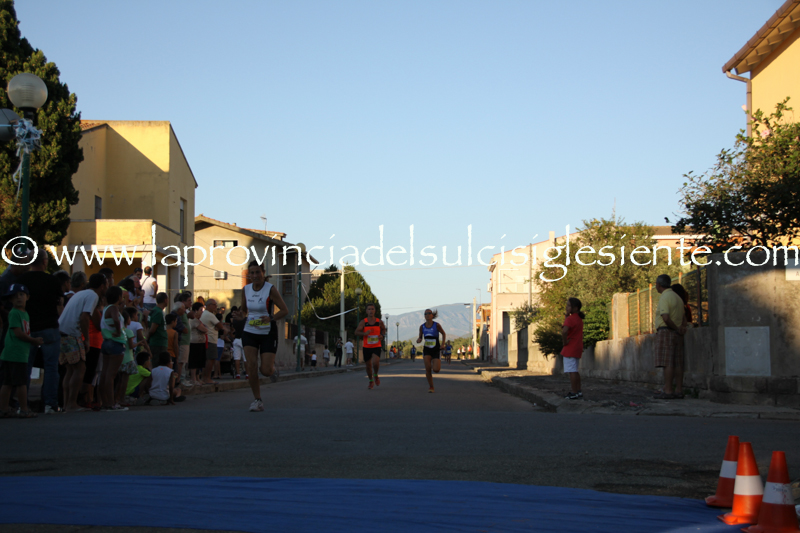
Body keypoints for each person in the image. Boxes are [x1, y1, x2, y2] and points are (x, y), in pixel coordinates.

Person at [240, 261, 289, 412]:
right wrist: (239, 316)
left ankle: (273, 370)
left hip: (267, 332)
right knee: (251, 366)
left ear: (263, 273)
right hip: (249, 331)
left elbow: (284, 310)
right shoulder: (246, 289)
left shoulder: (270, 289)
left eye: (257, 272)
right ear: (249, 275)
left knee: (265, 370)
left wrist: (270, 318)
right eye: (252, 273)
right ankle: (257, 400)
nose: (255, 275)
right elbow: (244, 311)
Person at [20, 249, 64, 414]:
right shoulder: (52, 280)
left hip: (28, 327)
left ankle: (23, 404)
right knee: (51, 367)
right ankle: (50, 404)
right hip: (49, 326)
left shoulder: (23, 280)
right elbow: (59, 302)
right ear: (45, 261)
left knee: (26, 367)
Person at [58, 273, 107, 412]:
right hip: (72, 333)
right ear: (102, 286)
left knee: (70, 369)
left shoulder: (81, 293)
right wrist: (86, 339)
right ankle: (72, 403)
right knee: (80, 368)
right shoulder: (93, 296)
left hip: (62, 331)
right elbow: (85, 317)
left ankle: (66, 403)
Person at [0, 285, 43, 418]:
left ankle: (3, 409)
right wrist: (33, 340)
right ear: (10, 300)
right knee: (21, 383)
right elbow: (18, 333)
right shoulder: (15, 313)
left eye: (21, 294)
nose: (18, 298)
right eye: (14, 296)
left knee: (8, 382)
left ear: (27, 297)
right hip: (16, 353)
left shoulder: (24, 313)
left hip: (14, 353)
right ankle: (24, 409)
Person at [652, 274, 687, 400]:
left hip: (666, 331)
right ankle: (679, 390)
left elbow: (665, 317)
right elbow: (684, 317)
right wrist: (681, 328)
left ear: (658, 285)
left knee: (668, 362)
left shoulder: (665, 297)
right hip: (677, 334)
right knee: (678, 362)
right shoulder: (677, 297)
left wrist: (675, 328)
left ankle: (668, 390)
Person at [98, 286, 128, 411]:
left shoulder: (106, 308)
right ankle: (111, 403)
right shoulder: (113, 308)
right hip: (116, 343)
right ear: (119, 297)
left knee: (105, 373)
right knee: (111, 375)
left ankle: (105, 402)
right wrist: (118, 331)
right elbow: (116, 319)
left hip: (106, 342)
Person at [355, 303, 385, 390]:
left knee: (375, 362)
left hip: (377, 345)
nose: (371, 311)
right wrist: (364, 333)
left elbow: (383, 329)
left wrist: (382, 335)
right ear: (366, 311)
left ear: (375, 311)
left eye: (372, 309)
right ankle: (371, 381)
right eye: (369, 309)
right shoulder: (363, 322)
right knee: (368, 366)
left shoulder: (379, 322)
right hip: (367, 347)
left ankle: (375, 375)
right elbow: (356, 332)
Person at [417, 308, 446, 393]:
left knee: (436, 370)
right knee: (428, 369)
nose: (427, 315)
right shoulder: (422, 327)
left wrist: (443, 344)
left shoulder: (437, 325)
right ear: (424, 316)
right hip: (427, 349)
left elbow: (443, 333)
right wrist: (419, 340)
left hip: (436, 349)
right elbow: (420, 337)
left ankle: (435, 362)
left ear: (432, 315)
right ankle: (431, 386)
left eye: (429, 313)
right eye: (425, 314)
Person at [562, 297, 585, 400]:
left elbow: (564, 331)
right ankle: (578, 390)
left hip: (570, 348)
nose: (567, 307)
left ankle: (574, 392)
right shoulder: (579, 319)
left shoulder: (570, 319)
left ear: (575, 308)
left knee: (572, 371)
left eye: (569, 306)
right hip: (577, 346)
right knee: (575, 370)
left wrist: (564, 342)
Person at [200, 299, 225, 384]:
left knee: (207, 360)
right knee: (210, 359)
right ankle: (207, 378)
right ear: (209, 305)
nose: (216, 306)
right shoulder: (210, 315)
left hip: (207, 339)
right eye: (214, 304)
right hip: (211, 340)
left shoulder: (204, 314)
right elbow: (220, 326)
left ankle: (204, 377)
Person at [188, 302, 208, 385]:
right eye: (200, 310)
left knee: (199, 362)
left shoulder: (199, 321)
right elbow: (204, 329)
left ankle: (197, 378)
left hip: (200, 343)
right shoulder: (194, 320)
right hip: (194, 343)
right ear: (195, 310)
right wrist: (205, 329)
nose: (202, 312)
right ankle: (193, 379)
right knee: (194, 362)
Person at [147, 293, 169, 366]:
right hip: (158, 343)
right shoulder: (158, 312)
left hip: (157, 342)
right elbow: (153, 328)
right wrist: (147, 338)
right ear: (165, 300)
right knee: (158, 364)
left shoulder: (154, 310)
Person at [230, 308, 246, 379]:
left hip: (236, 339)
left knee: (237, 358)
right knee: (245, 358)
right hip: (244, 339)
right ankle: (247, 374)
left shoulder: (234, 320)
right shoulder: (246, 320)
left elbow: (232, 330)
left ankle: (238, 374)